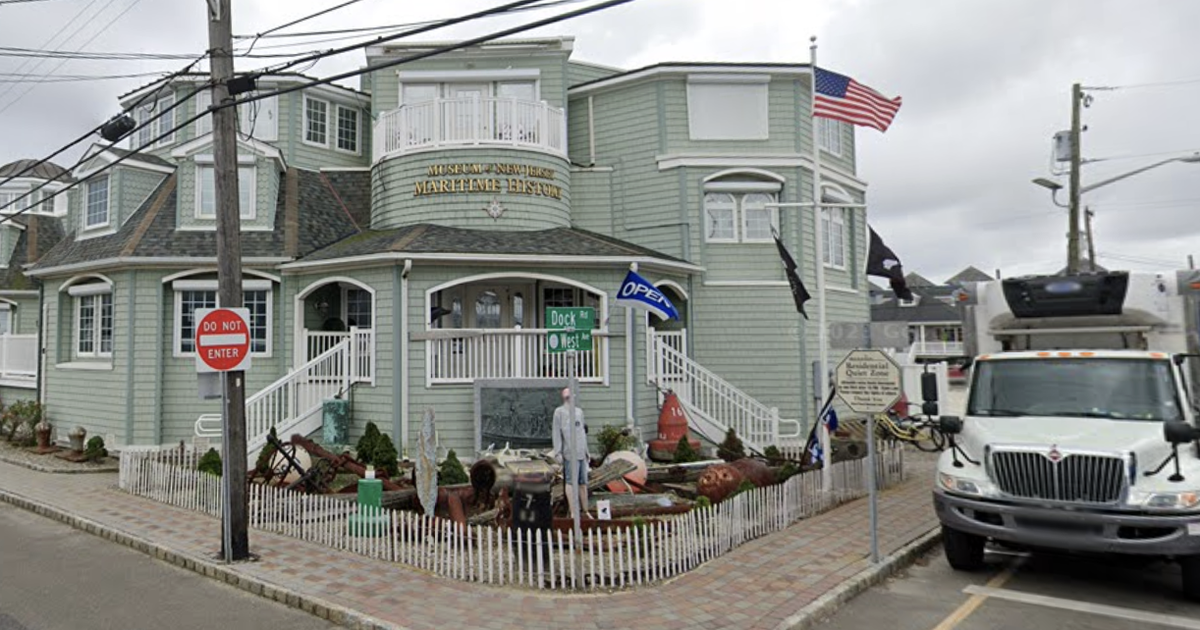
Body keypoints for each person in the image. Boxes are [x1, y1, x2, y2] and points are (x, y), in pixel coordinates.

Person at [552, 387, 590, 519]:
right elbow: (557, 433)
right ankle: (573, 511)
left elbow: (582, 433)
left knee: (583, 482)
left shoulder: (579, 412)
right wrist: (558, 452)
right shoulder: (559, 412)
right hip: (569, 453)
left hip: (581, 452)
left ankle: (585, 510)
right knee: (570, 482)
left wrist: (586, 451)